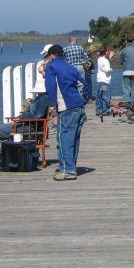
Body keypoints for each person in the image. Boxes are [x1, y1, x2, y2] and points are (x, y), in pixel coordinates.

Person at [0, 45, 52, 170]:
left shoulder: (44, 98)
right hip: (27, 126)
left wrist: (19, 118)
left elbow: (36, 115)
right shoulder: (43, 97)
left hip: (29, 128)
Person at [44, 44, 88, 181]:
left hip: (66, 107)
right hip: (79, 106)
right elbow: (84, 84)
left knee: (63, 140)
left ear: (51, 56)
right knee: (74, 139)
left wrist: (52, 105)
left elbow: (51, 86)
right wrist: (83, 100)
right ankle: (71, 166)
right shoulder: (71, 67)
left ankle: (67, 169)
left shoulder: (51, 66)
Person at [63, 36, 91, 102]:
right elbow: (86, 58)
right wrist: (83, 62)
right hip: (80, 67)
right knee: (81, 83)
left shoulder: (65, 49)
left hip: (70, 67)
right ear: (75, 41)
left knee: (71, 82)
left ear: (69, 41)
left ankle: (72, 97)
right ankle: (81, 97)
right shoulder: (80, 48)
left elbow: (63, 59)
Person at [120, 36, 134, 105]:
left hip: (126, 71)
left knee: (127, 87)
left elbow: (121, 61)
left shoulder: (123, 50)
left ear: (126, 41)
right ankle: (132, 102)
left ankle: (127, 101)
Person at [95, 46, 113, 116]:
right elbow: (107, 71)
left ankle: (98, 110)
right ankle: (105, 111)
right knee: (105, 96)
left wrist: (109, 58)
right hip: (105, 81)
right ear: (105, 52)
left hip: (99, 80)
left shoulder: (99, 59)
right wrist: (111, 70)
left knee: (99, 95)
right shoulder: (106, 61)